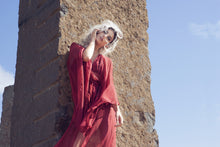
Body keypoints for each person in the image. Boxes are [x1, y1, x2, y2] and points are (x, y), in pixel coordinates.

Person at [54, 20, 123, 147]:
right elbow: (86, 57)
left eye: (108, 38)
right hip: (84, 101)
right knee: (78, 139)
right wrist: (92, 40)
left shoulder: (106, 62)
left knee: (94, 139)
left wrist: (117, 110)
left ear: (107, 45)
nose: (104, 36)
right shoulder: (76, 49)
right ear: (98, 29)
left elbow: (109, 86)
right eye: (105, 31)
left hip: (100, 104)